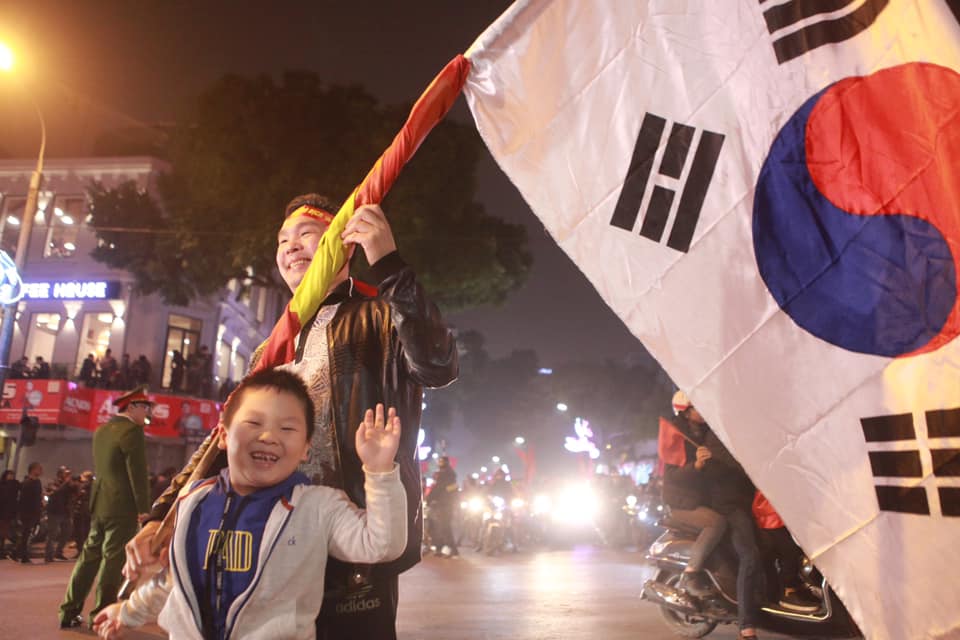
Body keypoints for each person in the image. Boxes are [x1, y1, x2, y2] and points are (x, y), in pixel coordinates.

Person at [126, 195, 458, 639]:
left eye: (306, 235)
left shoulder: (379, 317)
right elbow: (223, 440)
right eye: (283, 240)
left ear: (346, 246)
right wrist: (160, 518)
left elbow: (438, 364)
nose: (290, 247)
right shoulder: (272, 347)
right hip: (272, 541)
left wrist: (390, 264)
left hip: (352, 547)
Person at [92, 369, 407, 640]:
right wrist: (128, 612)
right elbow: (175, 580)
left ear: (306, 449)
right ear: (224, 436)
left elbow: (381, 544)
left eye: (287, 428)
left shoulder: (318, 507)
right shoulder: (194, 501)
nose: (269, 436)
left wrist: (379, 471)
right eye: (254, 423)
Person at [59, 385, 152, 629]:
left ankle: (68, 611)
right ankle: (100, 614)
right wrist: (144, 507)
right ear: (132, 407)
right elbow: (137, 473)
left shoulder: (102, 430)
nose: (146, 413)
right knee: (112, 559)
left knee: (88, 557)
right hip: (122, 506)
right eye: (144, 408)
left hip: (100, 503)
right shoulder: (132, 431)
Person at [694, 402, 762, 640]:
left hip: (753, 504)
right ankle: (746, 624)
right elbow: (719, 469)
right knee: (750, 555)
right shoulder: (716, 438)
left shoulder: (749, 437)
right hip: (729, 506)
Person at [660, 391, 727, 596]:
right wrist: (696, 465)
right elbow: (673, 476)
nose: (704, 411)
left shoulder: (706, 431)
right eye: (698, 407)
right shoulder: (676, 437)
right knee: (716, 523)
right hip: (681, 504)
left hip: (702, 499)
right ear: (687, 412)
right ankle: (691, 573)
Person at [752, 491, 820, 612]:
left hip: (780, 509)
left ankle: (796, 585)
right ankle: (789, 590)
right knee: (790, 551)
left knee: (796, 550)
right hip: (773, 511)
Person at [426, 456, 459, 557]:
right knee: (438, 527)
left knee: (445, 527)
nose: (439, 463)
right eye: (439, 461)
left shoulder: (447, 474)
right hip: (440, 504)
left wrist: (429, 498)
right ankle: (439, 548)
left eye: (441, 461)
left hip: (445, 505)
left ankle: (453, 550)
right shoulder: (444, 474)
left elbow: (440, 488)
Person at [45, 465, 76, 562]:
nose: (67, 475)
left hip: (65, 512)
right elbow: (55, 492)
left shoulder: (68, 484)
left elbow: (76, 492)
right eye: (65, 473)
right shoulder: (53, 482)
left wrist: (72, 484)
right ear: (59, 474)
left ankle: (58, 552)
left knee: (67, 532)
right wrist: (65, 483)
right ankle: (48, 555)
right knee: (53, 533)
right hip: (54, 512)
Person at [15, 461, 43, 563]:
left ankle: (18, 553)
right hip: (28, 512)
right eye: (39, 468)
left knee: (28, 534)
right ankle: (22, 555)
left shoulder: (37, 482)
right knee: (26, 534)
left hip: (35, 512)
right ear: (33, 470)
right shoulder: (27, 483)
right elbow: (23, 500)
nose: (41, 471)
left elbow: (38, 497)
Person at [0, 469, 19, 558]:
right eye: (9, 475)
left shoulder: (15, 485)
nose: (11, 477)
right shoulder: (3, 485)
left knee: (6, 531)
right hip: (4, 511)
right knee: (4, 530)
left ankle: (3, 548)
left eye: (12, 475)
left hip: (10, 511)